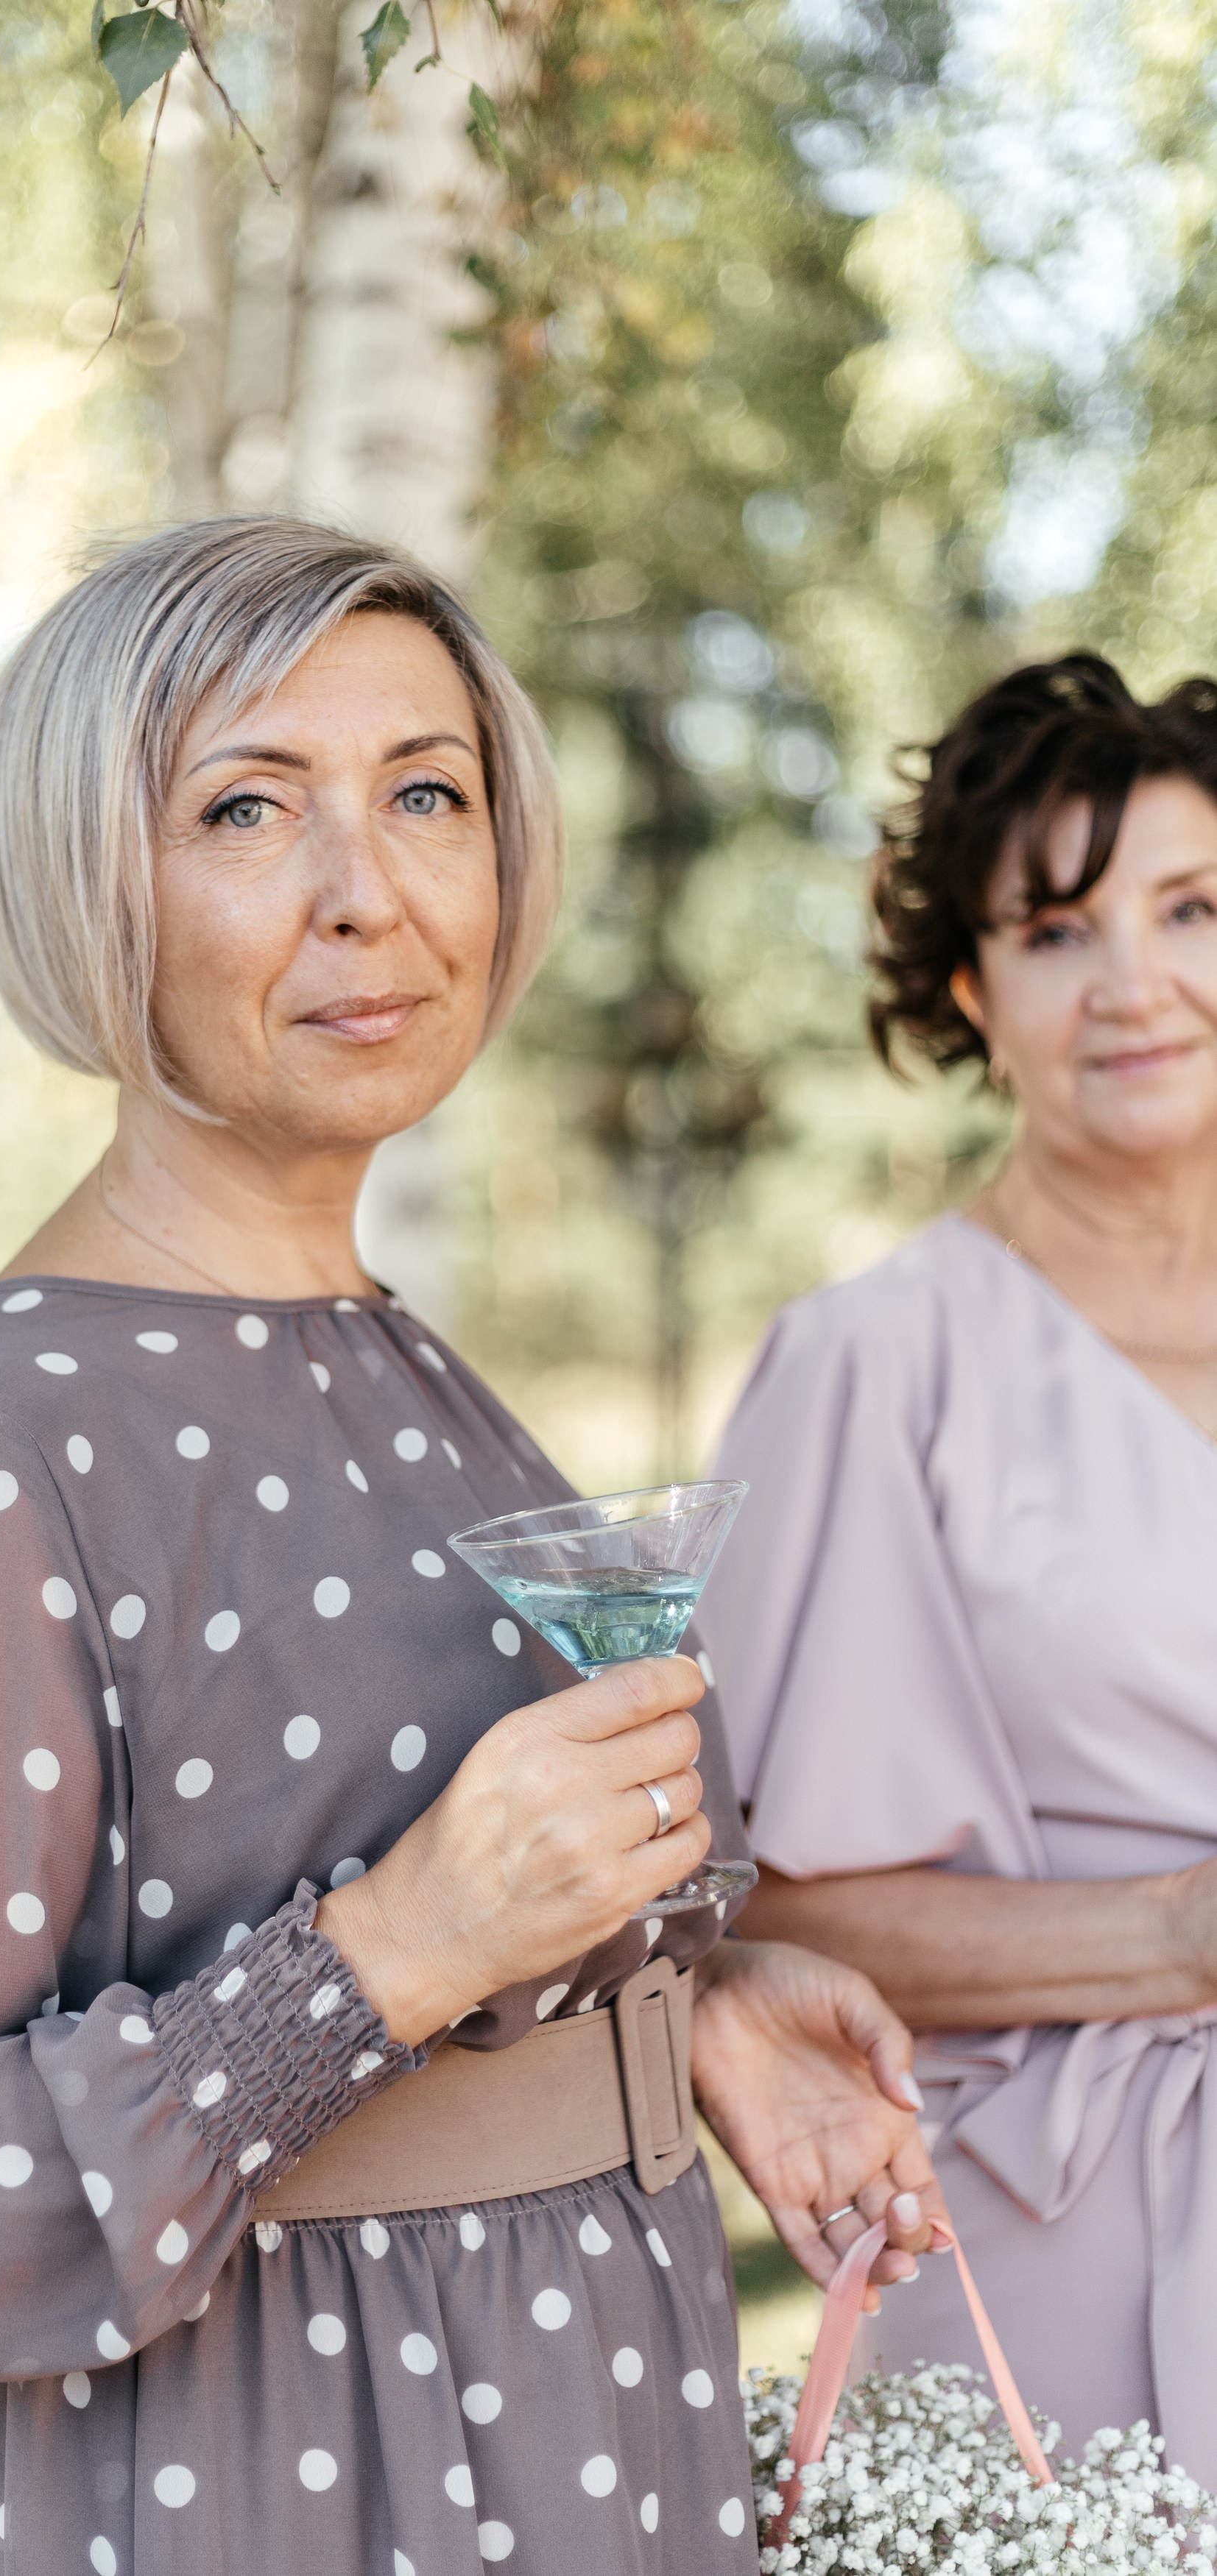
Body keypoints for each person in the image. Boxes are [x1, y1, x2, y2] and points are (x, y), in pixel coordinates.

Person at [0, 517, 936, 2576]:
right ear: (87, 878)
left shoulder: (400, 1372)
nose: (364, 894)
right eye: (243, 806)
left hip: (585, 2460)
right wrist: (398, 1947)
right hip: (297, 2489)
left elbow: (468, 1953)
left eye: (424, 794)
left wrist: (687, 2013)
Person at [697, 653, 1217, 2477]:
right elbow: (759, 1907)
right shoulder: (874, 1362)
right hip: (1063, 2234)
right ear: (973, 990)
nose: (1140, 982)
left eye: (1195, 908)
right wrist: (1180, 1933)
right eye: (1062, 929)